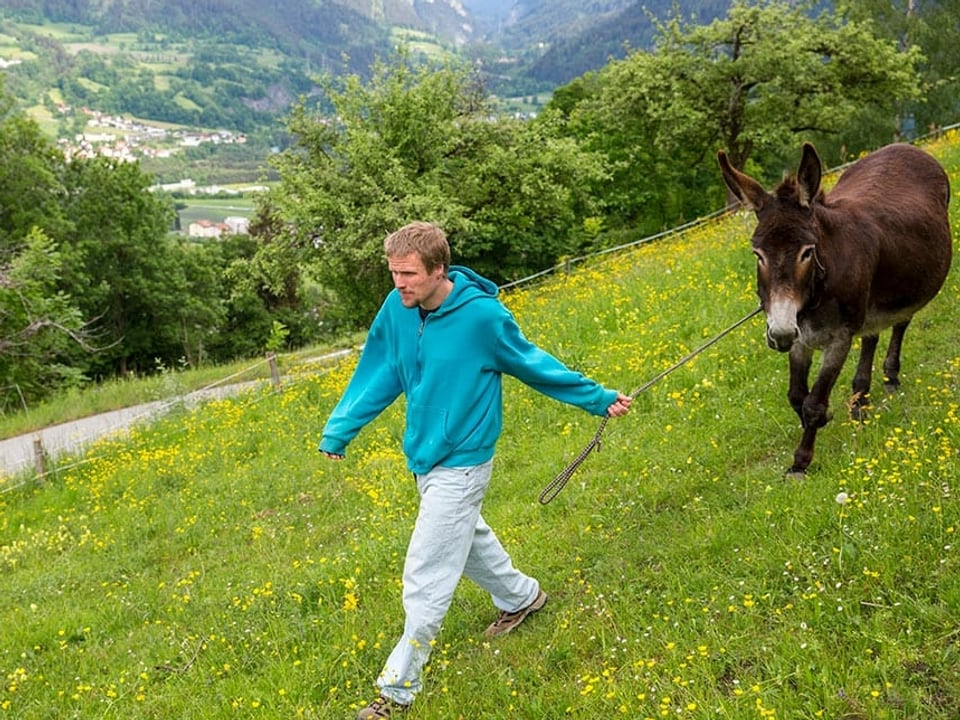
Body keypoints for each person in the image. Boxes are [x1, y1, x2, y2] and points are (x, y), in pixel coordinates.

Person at [319, 221, 632, 719]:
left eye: (409, 275)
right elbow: (379, 370)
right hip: (424, 456)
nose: (399, 284)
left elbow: (533, 363)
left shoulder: (483, 318)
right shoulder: (397, 310)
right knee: (465, 540)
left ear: (439, 270)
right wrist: (340, 430)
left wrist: (597, 399)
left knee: (426, 570)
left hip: (464, 462)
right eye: (394, 274)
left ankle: (394, 693)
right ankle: (523, 598)